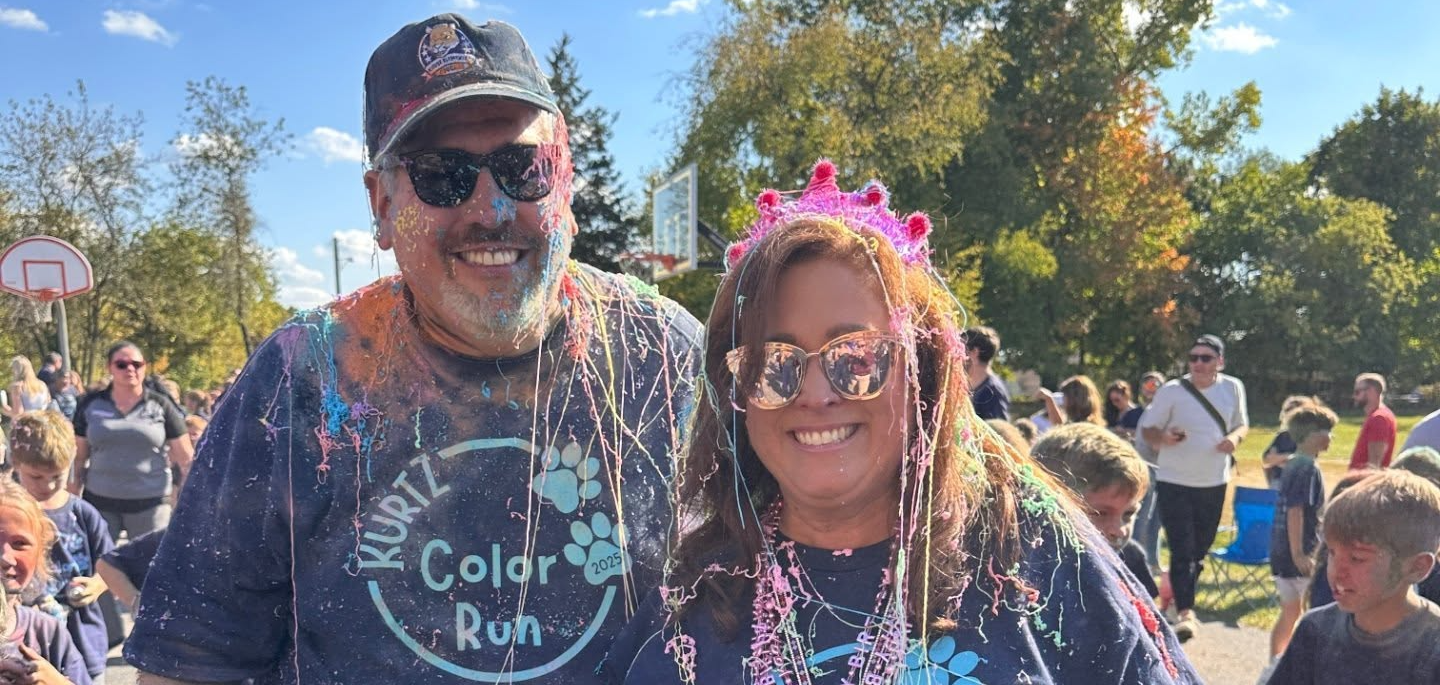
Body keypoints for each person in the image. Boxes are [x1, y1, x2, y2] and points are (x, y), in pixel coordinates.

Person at [125, 14, 701, 685]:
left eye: (524, 168)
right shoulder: (304, 377)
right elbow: (193, 655)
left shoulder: (664, 354)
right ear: (381, 204)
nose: (491, 209)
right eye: (442, 175)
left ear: (565, 182)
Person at [603, 162, 1198, 684]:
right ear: (735, 391)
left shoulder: (1045, 569)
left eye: (858, 358)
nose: (815, 395)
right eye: (773, 364)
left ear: (924, 373)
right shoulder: (687, 604)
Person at [1267, 471, 1440, 684]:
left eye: (1357, 558)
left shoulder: (1433, 649)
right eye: (1331, 553)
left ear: (1417, 567)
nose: (1336, 571)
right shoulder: (1315, 631)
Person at [1139, 334, 1249, 641]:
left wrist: (1235, 439)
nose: (1198, 363)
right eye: (1193, 358)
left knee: (1200, 549)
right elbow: (1148, 430)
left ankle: (1176, 597)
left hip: (1214, 480)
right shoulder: (1172, 391)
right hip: (1174, 479)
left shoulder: (1233, 387)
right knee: (1182, 547)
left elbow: (1242, 424)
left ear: (1220, 362)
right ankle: (1186, 612)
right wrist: (1164, 437)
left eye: (1206, 358)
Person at [10, 412, 113, 685]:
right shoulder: (9, 516)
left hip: (83, 642)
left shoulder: (83, 514)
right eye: (36, 476)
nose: (48, 485)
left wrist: (96, 585)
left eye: (57, 476)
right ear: (16, 464)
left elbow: (112, 566)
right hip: (26, 645)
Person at [69, 342, 192, 544]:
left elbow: (186, 459)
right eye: (122, 364)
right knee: (99, 561)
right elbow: (78, 460)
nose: (130, 369)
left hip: (151, 505)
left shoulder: (161, 405)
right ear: (109, 367)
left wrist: (186, 502)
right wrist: (70, 502)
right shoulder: (90, 404)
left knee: (150, 562)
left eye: (137, 364)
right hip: (100, 504)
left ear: (145, 367)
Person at [1031, 422, 1158, 598]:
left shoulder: (1130, 558)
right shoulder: (1027, 571)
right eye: (1100, 513)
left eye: (1128, 514)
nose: (1119, 531)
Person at [0, 477, 93, 684]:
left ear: (40, 552)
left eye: (19, 543)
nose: (5, 558)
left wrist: (56, 681)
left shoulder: (47, 632)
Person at [1266, 404, 1335, 668]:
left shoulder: (1292, 464)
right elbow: (1296, 511)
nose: (1330, 437)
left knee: (1290, 612)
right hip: (1299, 553)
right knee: (1311, 614)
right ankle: (1304, 668)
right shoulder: (1308, 468)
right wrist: (1300, 553)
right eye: (1326, 431)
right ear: (1310, 435)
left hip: (1279, 552)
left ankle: (1274, 665)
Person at [1130, 372, 1167, 589]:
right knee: (1142, 520)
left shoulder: (1163, 411)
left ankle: (1151, 563)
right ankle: (1139, 565)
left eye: (1155, 385)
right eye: (1147, 385)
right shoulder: (1149, 410)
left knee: (1153, 522)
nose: (1151, 389)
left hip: (1160, 470)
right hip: (1145, 469)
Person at [1262, 396, 1318, 489]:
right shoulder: (1283, 436)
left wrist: (1280, 459)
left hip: (1300, 483)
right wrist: (1287, 457)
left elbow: (1303, 462)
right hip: (1279, 481)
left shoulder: (1309, 437)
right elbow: (1267, 459)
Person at [1349, 373, 1397, 470]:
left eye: (1357, 392)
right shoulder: (1377, 416)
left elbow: (1374, 464)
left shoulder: (1379, 418)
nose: (1354, 396)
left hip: (1364, 478)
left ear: (1371, 391)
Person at [960, 326, 1009, 420]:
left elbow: (997, 428)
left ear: (974, 352)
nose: (957, 355)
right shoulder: (967, 387)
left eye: (961, 348)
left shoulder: (993, 392)